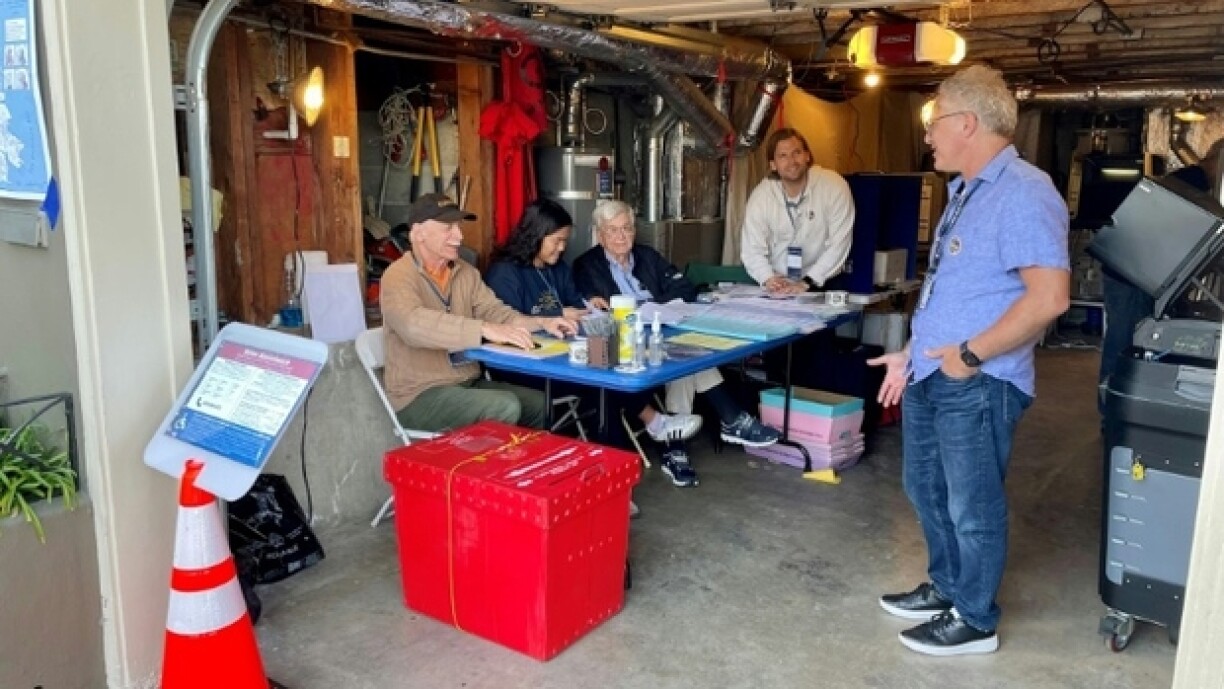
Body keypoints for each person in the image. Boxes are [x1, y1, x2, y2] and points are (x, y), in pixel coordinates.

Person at [867, 65, 1070, 656]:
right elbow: (957, 290)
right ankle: (949, 586)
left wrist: (968, 355)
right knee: (925, 489)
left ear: (967, 124)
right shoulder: (964, 191)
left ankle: (976, 619)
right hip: (935, 371)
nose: (927, 137)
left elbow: (1050, 298)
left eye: (934, 125)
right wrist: (912, 352)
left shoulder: (1025, 192)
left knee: (971, 503)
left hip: (979, 380)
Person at [573, 199, 781, 488]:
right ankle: (727, 420)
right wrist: (650, 304)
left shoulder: (646, 256)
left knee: (684, 356)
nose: (621, 237)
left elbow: (684, 287)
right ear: (600, 234)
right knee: (685, 359)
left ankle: (675, 447)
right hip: (624, 345)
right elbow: (600, 308)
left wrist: (652, 307)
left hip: (662, 330)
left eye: (627, 229)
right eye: (613, 231)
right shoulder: (587, 265)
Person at [485, 197, 704, 450]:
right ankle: (652, 424)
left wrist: (588, 304)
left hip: (562, 352)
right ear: (536, 236)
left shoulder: (557, 268)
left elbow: (574, 305)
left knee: (609, 362)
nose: (562, 248)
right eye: (556, 241)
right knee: (601, 377)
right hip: (524, 362)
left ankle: (622, 452)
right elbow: (507, 322)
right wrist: (556, 314)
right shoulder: (506, 273)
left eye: (564, 241)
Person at [380, 193, 577, 432]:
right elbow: (413, 325)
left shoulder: (466, 273)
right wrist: (483, 329)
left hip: (468, 382)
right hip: (420, 395)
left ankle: (523, 467)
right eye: (448, 228)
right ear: (418, 233)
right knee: (505, 406)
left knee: (540, 405)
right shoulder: (397, 276)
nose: (459, 236)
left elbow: (498, 313)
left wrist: (543, 322)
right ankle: (492, 468)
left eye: (459, 227)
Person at [1099, 137, 1224, 409]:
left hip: (1135, 270)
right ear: (1216, 161)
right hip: (1129, 273)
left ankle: (1119, 405)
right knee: (1123, 341)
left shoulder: (1188, 180)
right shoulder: (1194, 183)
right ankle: (1111, 408)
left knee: (1129, 338)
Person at [740, 127, 855, 295]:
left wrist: (808, 281)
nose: (792, 161)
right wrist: (768, 279)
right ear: (773, 164)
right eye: (783, 156)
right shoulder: (761, 196)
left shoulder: (834, 187)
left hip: (823, 284)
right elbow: (752, 249)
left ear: (807, 156)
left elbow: (839, 244)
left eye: (797, 153)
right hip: (777, 287)